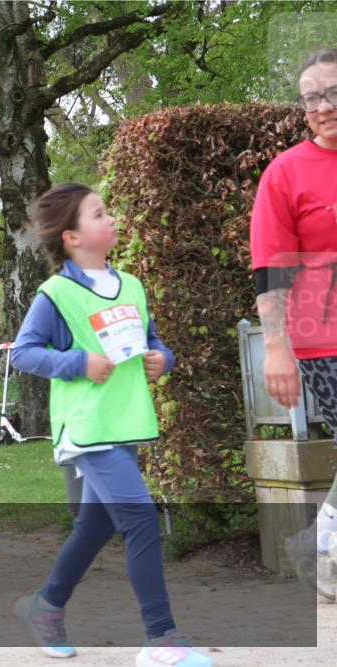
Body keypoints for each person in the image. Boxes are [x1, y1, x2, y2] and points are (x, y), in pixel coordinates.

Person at [9, 183, 211, 667]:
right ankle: (161, 638)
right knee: (139, 517)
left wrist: (165, 358)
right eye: (98, 214)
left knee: (95, 525)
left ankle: (46, 606)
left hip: (128, 425)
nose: (111, 219)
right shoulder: (56, 293)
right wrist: (78, 362)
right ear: (72, 237)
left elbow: (155, 343)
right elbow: (24, 353)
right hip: (88, 428)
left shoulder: (134, 286)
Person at [251, 47, 337, 601]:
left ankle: (320, 546)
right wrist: (276, 349)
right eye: (312, 98)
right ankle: (321, 547)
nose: (324, 106)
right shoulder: (286, 173)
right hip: (323, 337)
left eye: (332, 93)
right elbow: (270, 269)